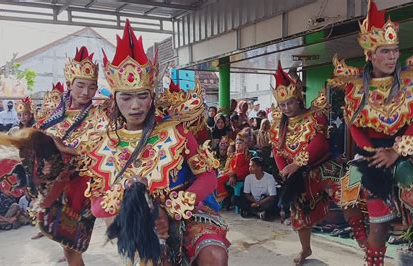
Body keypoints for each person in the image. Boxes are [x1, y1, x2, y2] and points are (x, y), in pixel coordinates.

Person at [82, 20, 229, 265]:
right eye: (126, 97)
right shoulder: (102, 142)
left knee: (213, 255)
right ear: (115, 99)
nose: (136, 105)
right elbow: (98, 205)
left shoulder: (175, 130)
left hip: (184, 212)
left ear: (152, 97)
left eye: (142, 96)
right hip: (136, 220)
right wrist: (136, 204)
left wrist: (173, 208)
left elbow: (208, 177)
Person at [328, 1, 413, 265]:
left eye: (395, 50)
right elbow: (355, 128)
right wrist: (376, 154)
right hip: (373, 157)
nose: (392, 57)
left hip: (409, 151)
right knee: (379, 227)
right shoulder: (355, 89)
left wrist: (396, 151)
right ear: (370, 55)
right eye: (385, 51)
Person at [34, 45, 110, 265]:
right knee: (69, 248)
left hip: (91, 185)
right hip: (60, 188)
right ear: (69, 85)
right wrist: (45, 167)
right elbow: (40, 151)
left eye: (92, 86)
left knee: (112, 235)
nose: (86, 92)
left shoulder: (102, 115)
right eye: (80, 85)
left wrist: (67, 149)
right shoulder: (51, 117)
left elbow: (108, 150)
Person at [270, 61, 340, 265]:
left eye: (290, 103)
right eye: (282, 105)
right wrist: (285, 169)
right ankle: (305, 249)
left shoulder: (315, 116)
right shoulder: (277, 127)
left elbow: (320, 143)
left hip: (321, 167)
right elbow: (277, 150)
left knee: (348, 196)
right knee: (299, 214)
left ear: (298, 99)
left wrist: (297, 164)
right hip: (297, 175)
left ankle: (362, 237)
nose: (287, 108)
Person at [216, 132, 251, 205]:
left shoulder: (242, 155)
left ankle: (223, 195)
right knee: (218, 178)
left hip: (239, 175)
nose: (238, 145)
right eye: (237, 143)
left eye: (240, 143)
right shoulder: (236, 154)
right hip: (234, 173)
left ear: (245, 145)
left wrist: (232, 175)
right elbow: (232, 167)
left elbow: (237, 168)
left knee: (218, 180)